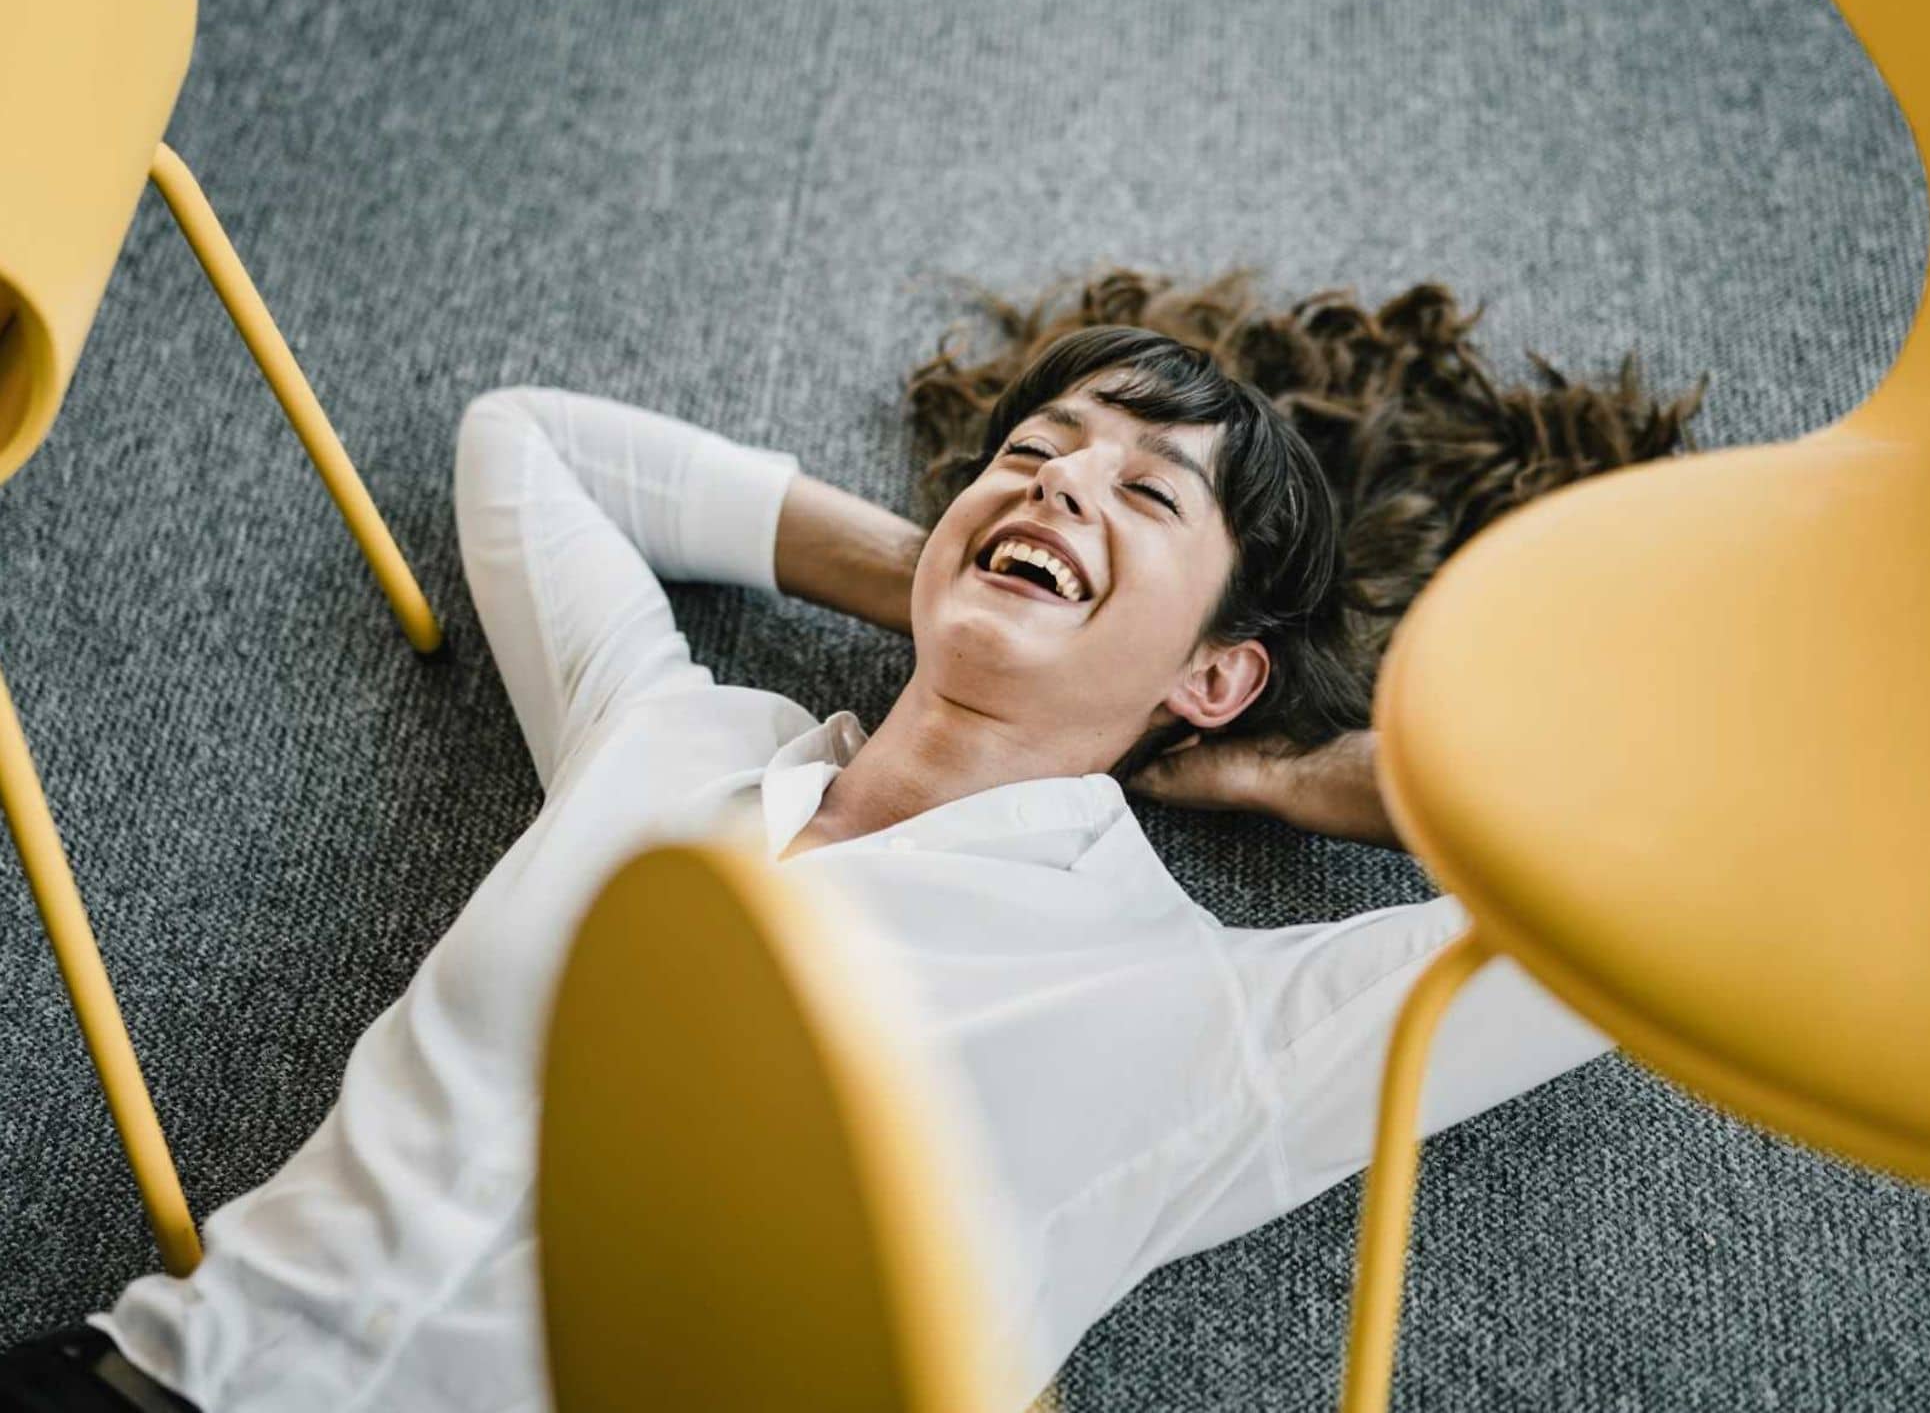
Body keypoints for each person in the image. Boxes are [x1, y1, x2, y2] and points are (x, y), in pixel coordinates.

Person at [4, 319, 1634, 1413]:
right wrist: (957, 575)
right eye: (1037, 451)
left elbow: (1641, 924)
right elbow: (531, 448)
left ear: (1215, 672)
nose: (1062, 475)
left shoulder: (1206, 1018)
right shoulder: (673, 733)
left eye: (1147, 491)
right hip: (146, 1375)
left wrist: (1325, 782)